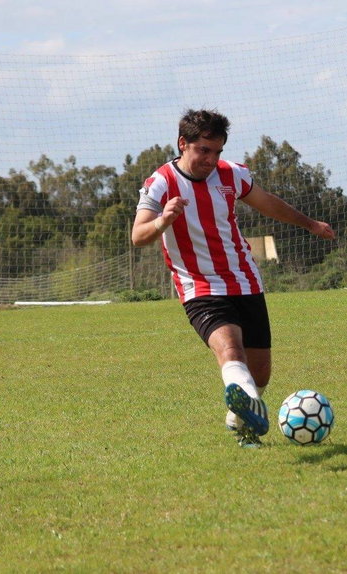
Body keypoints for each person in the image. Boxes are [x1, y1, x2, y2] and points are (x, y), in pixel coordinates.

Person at [131, 109, 335, 448]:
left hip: (245, 281)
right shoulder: (161, 183)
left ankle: (239, 418)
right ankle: (244, 413)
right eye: (204, 151)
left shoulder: (232, 175)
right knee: (230, 349)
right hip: (199, 286)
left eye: (218, 152)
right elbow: (138, 235)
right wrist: (162, 221)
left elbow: (267, 203)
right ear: (183, 144)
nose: (211, 160)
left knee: (260, 374)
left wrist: (310, 224)